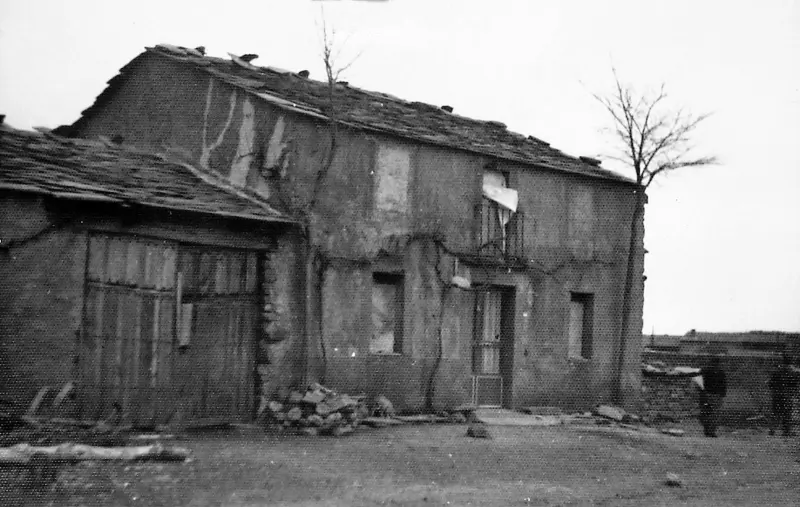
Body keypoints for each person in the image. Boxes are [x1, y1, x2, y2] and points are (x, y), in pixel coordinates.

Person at [768, 354, 800, 437]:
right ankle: (786, 432)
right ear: (792, 361)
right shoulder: (795, 372)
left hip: (777, 395)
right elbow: (795, 385)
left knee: (776, 413)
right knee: (787, 413)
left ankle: (772, 430)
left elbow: (770, 384)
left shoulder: (777, 371)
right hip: (788, 395)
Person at [698, 357, 727, 437]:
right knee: (714, 415)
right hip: (714, 396)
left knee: (707, 413)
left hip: (707, 395)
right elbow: (723, 385)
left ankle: (708, 430)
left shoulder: (705, 371)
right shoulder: (720, 372)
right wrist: (722, 394)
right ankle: (710, 431)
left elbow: (700, 383)